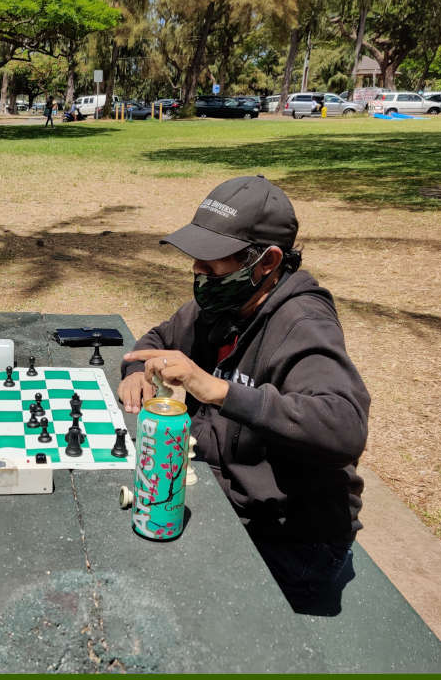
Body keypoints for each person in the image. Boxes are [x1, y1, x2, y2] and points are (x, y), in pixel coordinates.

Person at [119, 175, 369, 616]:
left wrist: (217, 390)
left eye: (211, 260)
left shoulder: (303, 321)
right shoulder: (224, 300)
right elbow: (159, 337)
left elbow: (344, 424)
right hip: (226, 496)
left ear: (267, 261)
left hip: (294, 541)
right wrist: (138, 369)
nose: (197, 270)